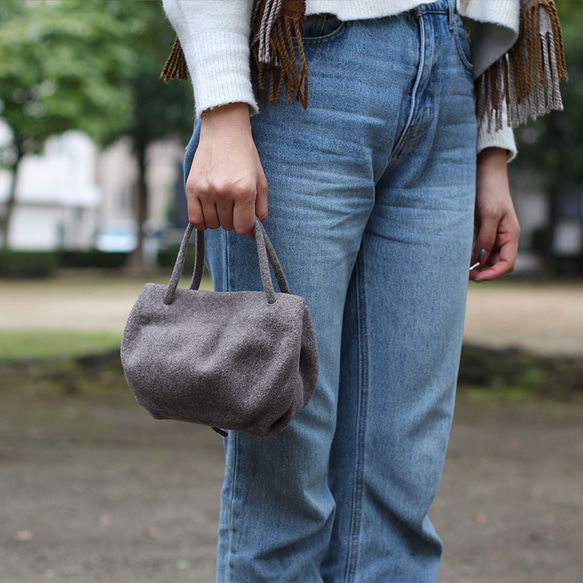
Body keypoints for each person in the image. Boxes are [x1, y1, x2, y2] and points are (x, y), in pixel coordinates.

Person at [161, 0, 566, 580]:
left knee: (401, 479)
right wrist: (223, 106)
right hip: (306, 66)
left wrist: (490, 148)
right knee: (286, 461)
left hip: (450, 75)